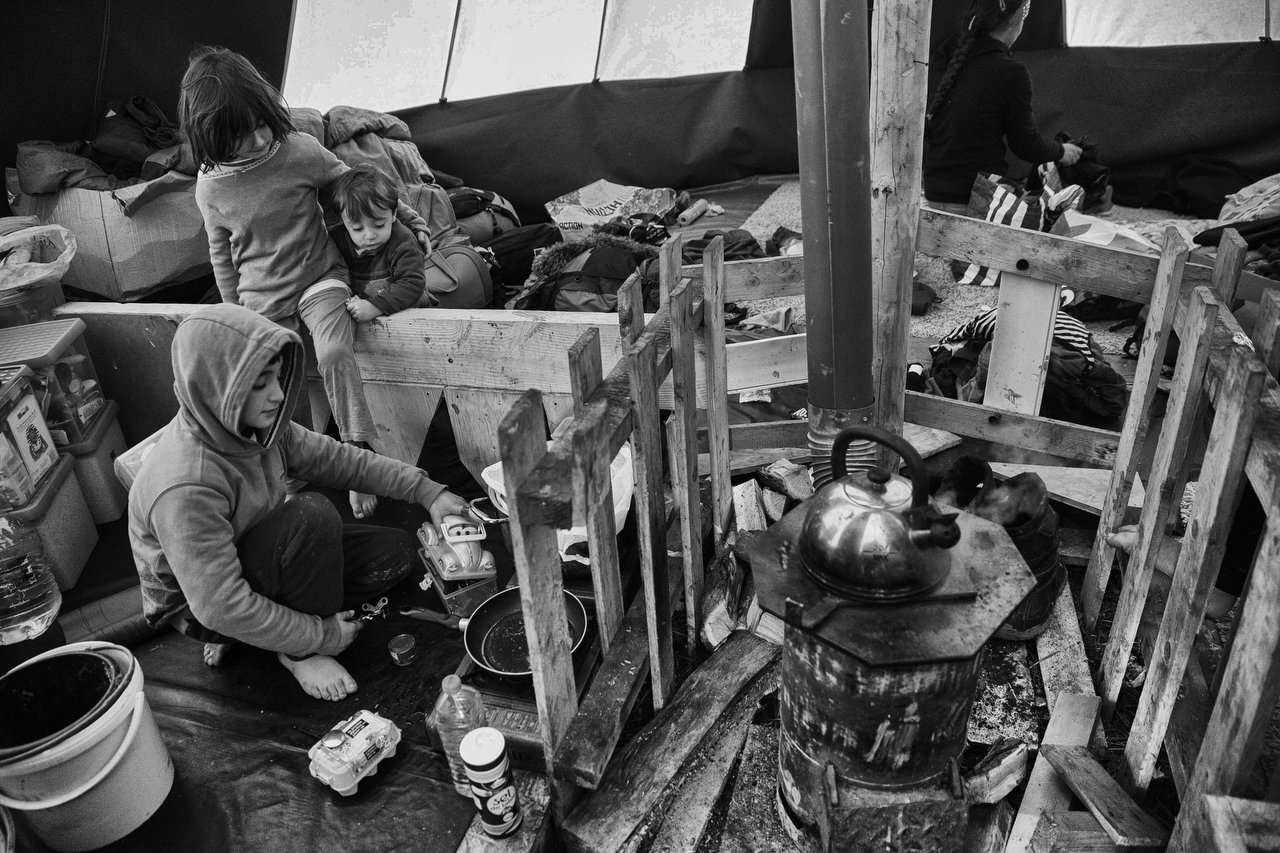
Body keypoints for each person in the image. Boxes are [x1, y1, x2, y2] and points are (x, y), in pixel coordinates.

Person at [127, 304, 470, 701]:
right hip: (201, 605)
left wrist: (428, 492)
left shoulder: (255, 425)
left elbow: (339, 461)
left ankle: (257, 632)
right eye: (258, 385)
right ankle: (295, 653)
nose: (276, 395)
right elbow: (217, 605)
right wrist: (319, 637)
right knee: (313, 515)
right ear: (215, 387)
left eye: (275, 378)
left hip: (255, 550)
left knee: (394, 554)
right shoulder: (186, 485)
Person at [179, 45, 431, 519]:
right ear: (209, 137)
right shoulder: (210, 187)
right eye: (239, 136)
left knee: (335, 352)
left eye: (260, 125)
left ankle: (359, 459)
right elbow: (221, 253)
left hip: (321, 280)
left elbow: (356, 183)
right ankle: (291, 479)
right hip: (260, 300)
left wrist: (410, 219)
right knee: (276, 388)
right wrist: (235, 316)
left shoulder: (297, 151)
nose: (256, 141)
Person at [922, 0, 1083, 213]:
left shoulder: (949, 59)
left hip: (935, 190)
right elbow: (1025, 144)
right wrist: (1061, 151)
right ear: (1017, 20)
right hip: (974, 196)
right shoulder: (1010, 72)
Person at [330, 164, 429, 323]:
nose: (369, 235)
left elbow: (412, 284)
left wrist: (374, 307)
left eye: (379, 225)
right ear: (343, 222)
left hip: (412, 315)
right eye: (357, 228)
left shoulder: (404, 243)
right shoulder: (338, 239)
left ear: (394, 214)